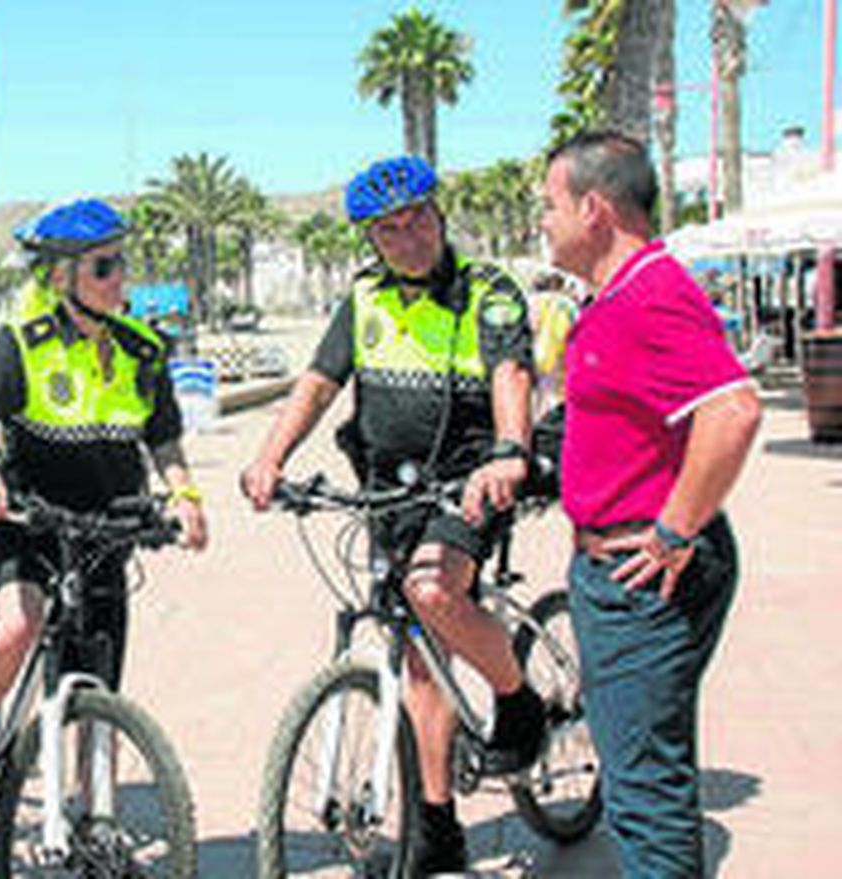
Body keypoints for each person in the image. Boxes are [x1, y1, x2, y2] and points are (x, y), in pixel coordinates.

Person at [241, 155, 548, 874]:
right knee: (417, 652)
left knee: (433, 590)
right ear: (371, 239)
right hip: (388, 492)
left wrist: (510, 451)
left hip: (467, 485)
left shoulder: (488, 291)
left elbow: (511, 373)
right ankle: (437, 825)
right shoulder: (364, 298)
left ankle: (518, 699)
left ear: (440, 216)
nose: (408, 238)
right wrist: (269, 457)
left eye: (417, 221)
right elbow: (318, 384)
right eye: (389, 229)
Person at [0, 198, 208, 819]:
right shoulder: (24, 344)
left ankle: (92, 817)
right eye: (103, 267)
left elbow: (164, 440)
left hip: (106, 528)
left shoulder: (144, 350)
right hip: (28, 519)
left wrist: (186, 496)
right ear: (62, 276)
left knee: (100, 681)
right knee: (19, 624)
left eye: (120, 263)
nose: (120, 277)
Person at [540, 131, 762, 877]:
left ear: (593, 210)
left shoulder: (652, 293)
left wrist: (672, 529)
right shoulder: (615, 296)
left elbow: (733, 410)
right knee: (642, 772)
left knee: (643, 797)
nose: (543, 222)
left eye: (550, 205)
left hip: (640, 575)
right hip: (619, 566)